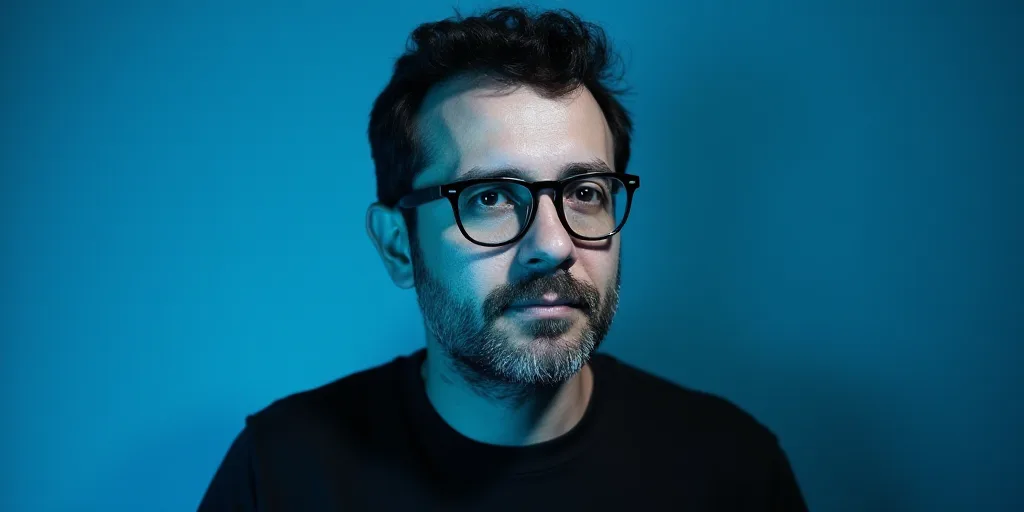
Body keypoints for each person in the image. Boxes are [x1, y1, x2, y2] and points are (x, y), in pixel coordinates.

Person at [198, 6, 808, 511]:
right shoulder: (282, 473)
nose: (554, 245)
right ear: (397, 245)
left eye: (585, 193)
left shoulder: (733, 471)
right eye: (490, 197)